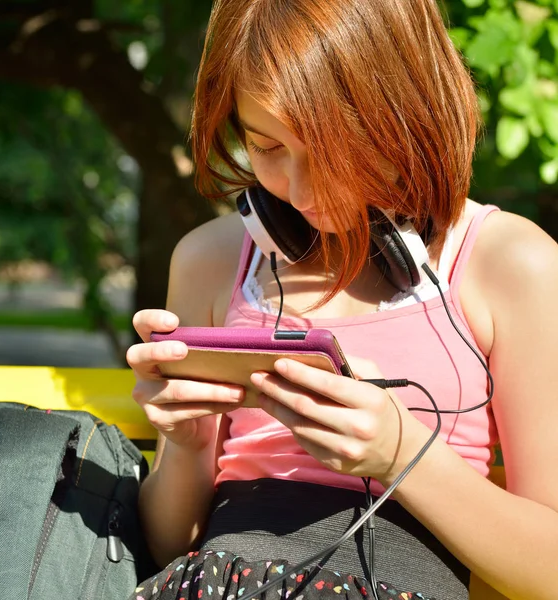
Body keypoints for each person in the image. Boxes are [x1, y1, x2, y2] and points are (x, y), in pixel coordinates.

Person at [126, 1, 558, 599]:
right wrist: (187, 442)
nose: (301, 191)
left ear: (410, 111)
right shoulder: (211, 259)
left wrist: (400, 453)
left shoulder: (511, 263)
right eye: (267, 147)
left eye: (331, 150)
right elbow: (171, 547)